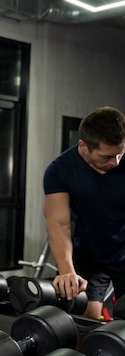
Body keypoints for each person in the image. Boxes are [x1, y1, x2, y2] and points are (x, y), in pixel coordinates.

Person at [43, 106, 125, 319]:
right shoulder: (60, 169)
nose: (115, 162)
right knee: (83, 319)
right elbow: (59, 223)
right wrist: (67, 270)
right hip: (87, 253)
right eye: (107, 156)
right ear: (83, 146)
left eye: (119, 153)